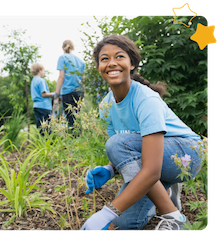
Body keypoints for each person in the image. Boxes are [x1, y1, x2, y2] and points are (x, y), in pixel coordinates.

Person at [80, 35, 203, 231]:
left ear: (133, 63)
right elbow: (133, 156)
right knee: (124, 223)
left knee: (117, 144)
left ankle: (173, 217)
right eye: (104, 59)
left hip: (186, 154)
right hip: (154, 158)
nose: (112, 63)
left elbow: (147, 166)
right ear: (98, 67)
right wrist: (111, 169)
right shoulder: (106, 106)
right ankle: (166, 189)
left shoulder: (146, 99)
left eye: (119, 56)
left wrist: (106, 212)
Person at [54, 40, 85, 131]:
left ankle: (73, 143)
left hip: (68, 92)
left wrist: (57, 92)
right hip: (79, 92)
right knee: (78, 119)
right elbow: (82, 80)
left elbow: (61, 77)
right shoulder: (81, 61)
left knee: (70, 121)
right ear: (73, 47)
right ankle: (79, 141)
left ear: (63, 48)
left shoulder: (62, 58)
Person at [30, 63, 54, 135]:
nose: (43, 72)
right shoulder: (41, 81)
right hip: (44, 107)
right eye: (43, 70)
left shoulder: (33, 81)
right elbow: (43, 94)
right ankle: (48, 144)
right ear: (40, 70)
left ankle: (42, 144)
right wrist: (54, 94)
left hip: (36, 106)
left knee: (41, 129)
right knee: (48, 129)